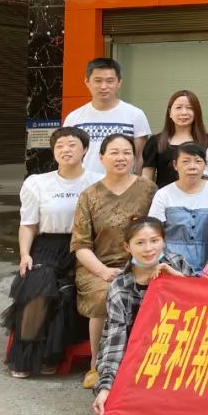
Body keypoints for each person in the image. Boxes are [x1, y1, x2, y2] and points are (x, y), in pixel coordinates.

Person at [4, 128, 99, 378]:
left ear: (85, 149)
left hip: (85, 245)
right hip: (48, 244)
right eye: (59, 146)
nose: (66, 150)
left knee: (67, 290)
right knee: (39, 284)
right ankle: (26, 357)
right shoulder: (37, 183)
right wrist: (25, 254)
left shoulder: (97, 181)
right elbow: (28, 224)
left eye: (72, 145)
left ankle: (51, 356)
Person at [70, 133, 157, 389]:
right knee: (106, 293)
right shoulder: (90, 195)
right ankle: (97, 365)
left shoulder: (148, 189)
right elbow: (80, 245)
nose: (121, 158)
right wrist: (102, 271)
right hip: (97, 266)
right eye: (114, 153)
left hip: (142, 262)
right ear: (101, 158)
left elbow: (157, 233)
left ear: (134, 157)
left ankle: (144, 364)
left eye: (127, 153)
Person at [91, 217, 192, 415]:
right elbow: (115, 341)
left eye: (155, 241)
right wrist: (105, 388)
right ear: (127, 247)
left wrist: (179, 280)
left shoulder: (176, 263)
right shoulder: (120, 287)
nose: (148, 249)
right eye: (140, 243)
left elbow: (202, 308)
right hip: (139, 354)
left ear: (164, 241)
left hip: (180, 348)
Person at [63, 57, 151, 174]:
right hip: (84, 183)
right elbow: (66, 155)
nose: (104, 86)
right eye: (98, 81)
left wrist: (137, 182)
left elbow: (141, 158)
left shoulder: (135, 115)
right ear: (87, 82)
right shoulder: (74, 118)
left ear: (119, 83)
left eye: (110, 81)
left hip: (122, 183)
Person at [147, 142, 208, 275]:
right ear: (175, 165)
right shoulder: (163, 194)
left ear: (205, 165)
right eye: (186, 161)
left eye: (198, 161)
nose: (192, 167)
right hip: (170, 265)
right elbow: (153, 233)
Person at [141, 89, 208, 188]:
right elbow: (147, 178)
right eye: (178, 107)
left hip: (198, 196)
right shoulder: (155, 141)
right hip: (165, 196)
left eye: (190, 108)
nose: (184, 112)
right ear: (170, 112)